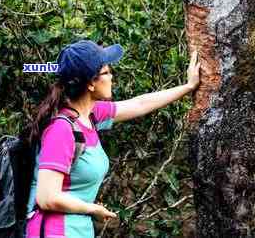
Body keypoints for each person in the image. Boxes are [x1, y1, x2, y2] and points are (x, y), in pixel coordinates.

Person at [24, 40, 201, 238]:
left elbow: (139, 104)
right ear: (91, 83)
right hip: (54, 231)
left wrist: (188, 86)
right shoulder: (61, 129)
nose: (112, 77)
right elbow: (47, 197)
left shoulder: (90, 114)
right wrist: (92, 209)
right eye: (107, 72)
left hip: (76, 229)